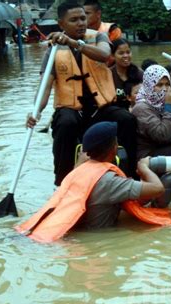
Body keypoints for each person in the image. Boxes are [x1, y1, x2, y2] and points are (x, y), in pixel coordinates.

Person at [26, 1, 137, 186]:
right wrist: (35, 112)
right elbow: (45, 87)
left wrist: (74, 43)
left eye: (83, 18)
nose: (81, 23)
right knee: (65, 124)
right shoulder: (52, 50)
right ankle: (61, 183)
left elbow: (104, 55)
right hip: (71, 109)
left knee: (127, 119)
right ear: (61, 24)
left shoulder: (99, 37)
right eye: (74, 20)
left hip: (100, 108)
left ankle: (131, 175)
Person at [16, 121, 171, 243]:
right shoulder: (110, 181)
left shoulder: (76, 172)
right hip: (95, 240)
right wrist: (144, 167)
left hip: (57, 235)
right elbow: (158, 189)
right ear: (113, 149)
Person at [111, 38, 143, 109]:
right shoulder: (109, 74)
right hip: (116, 112)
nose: (125, 56)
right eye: (121, 53)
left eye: (128, 52)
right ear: (113, 55)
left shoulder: (139, 73)